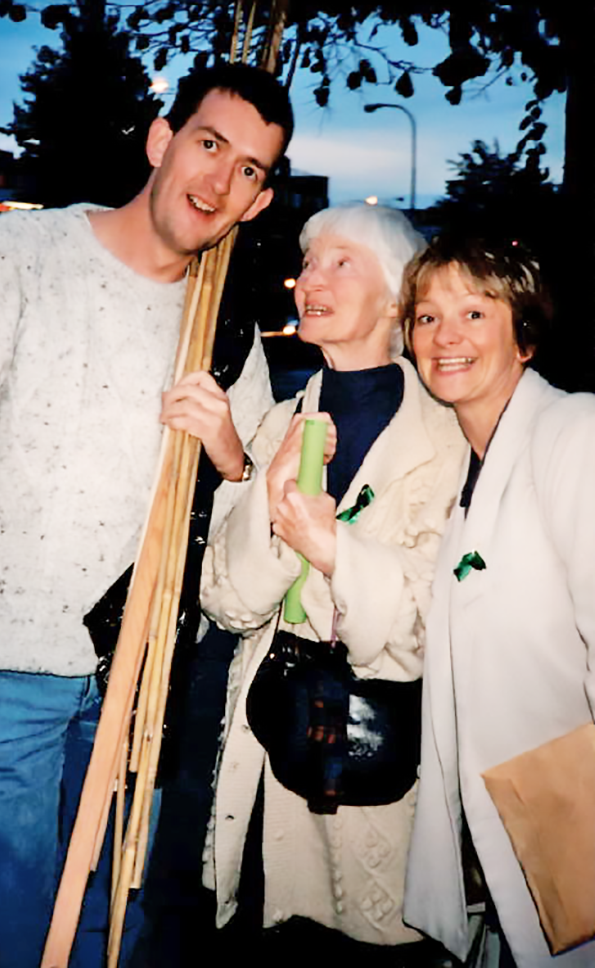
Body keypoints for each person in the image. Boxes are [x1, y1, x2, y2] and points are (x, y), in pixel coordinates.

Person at [0, 62, 293, 968]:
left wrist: (229, 451)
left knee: (112, 932)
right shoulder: (12, 261)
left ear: (257, 202)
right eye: (209, 144)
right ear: (159, 139)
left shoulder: (224, 329)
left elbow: (255, 506)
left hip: (139, 682)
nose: (219, 181)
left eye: (249, 169)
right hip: (1, 674)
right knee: (13, 938)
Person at [199, 203, 466, 964]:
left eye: (341, 262)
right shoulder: (281, 422)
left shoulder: (451, 437)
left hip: (377, 770)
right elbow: (225, 601)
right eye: (310, 262)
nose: (311, 278)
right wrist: (267, 497)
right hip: (268, 757)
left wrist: (331, 547)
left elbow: (439, 623)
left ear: (395, 296)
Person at [401, 235, 595, 967]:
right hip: (497, 840)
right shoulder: (469, 471)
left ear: (525, 339)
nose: (446, 336)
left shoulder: (573, 432)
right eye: (426, 317)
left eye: (475, 313)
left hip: (567, 828)